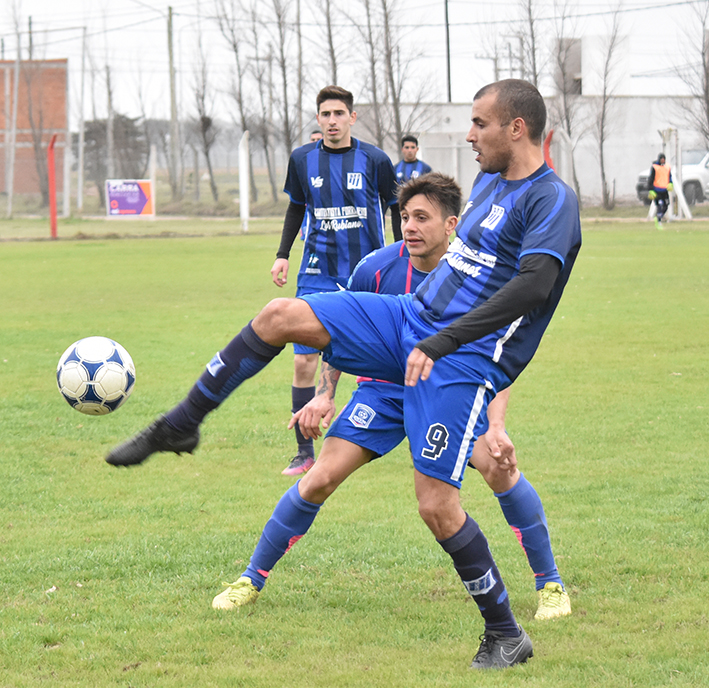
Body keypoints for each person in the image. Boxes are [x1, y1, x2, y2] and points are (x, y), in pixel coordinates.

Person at [106, 79, 582, 670]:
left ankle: (506, 632)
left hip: (461, 360)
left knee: (436, 505)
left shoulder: (551, 199)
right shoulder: (488, 181)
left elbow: (535, 285)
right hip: (411, 320)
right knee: (281, 316)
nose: (468, 134)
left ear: (517, 128)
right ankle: (181, 424)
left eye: (480, 123)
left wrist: (448, 339)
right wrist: (344, 379)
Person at [208, 172, 571, 624]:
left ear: (452, 225)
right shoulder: (376, 267)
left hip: (448, 393)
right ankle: (250, 578)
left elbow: (495, 361)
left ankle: (551, 584)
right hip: (384, 394)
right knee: (320, 477)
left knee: (500, 467)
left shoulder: (479, 273)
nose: (410, 227)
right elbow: (339, 331)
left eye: (422, 218)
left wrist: (496, 426)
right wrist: (324, 395)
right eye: (404, 218)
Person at [271, 86, 401, 476]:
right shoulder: (302, 160)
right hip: (316, 271)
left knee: (385, 355)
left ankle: (390, 429)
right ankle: (304, 452)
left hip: (365, 271)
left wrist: (403, 256)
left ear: (352, 117)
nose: (331, 121)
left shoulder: (375, 160)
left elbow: (396, 209)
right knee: (303, 361)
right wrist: (282, 255)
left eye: (338, 114)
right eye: (325, 114)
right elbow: (296, 209)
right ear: (317, 119)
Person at [647, 153, 673, 229]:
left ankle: (659, 217)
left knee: (666, 205)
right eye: (661, 159)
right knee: (659, 205)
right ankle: (658, 221)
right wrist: (650, 189)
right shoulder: (655, 167)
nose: (662, 160)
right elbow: (651, 179)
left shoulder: (667, 167)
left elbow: (669, 176)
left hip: (664, 190)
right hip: (656, 190)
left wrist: (671, 183)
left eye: (663, 159)